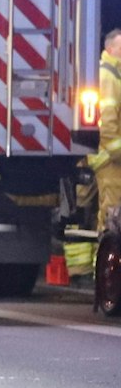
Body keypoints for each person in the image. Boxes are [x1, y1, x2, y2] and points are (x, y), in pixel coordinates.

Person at [74, 27, 121, 278]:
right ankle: (104, 273)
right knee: (113, 215)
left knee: (107, 214)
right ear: (110, 48)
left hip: (109, 158)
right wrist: (117, 154)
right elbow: (110, 125)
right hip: (110, 159)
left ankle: (99, 272)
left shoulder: (114, 75)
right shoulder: (108, 76)